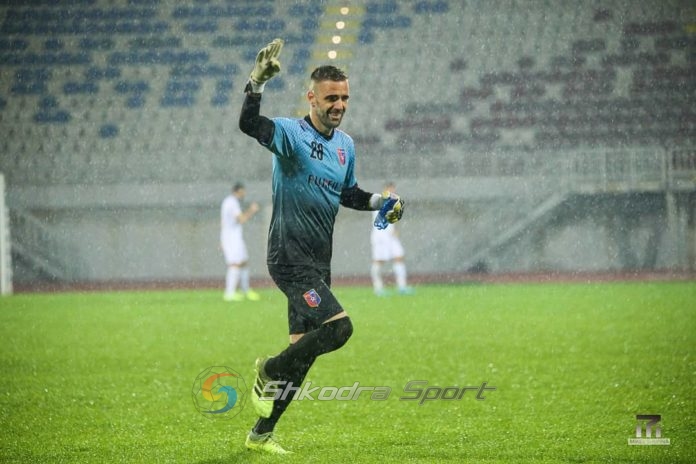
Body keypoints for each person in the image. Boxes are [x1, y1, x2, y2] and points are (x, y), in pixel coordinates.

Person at [238, 38, 404, 454]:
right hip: (289, 257)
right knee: (340, 328)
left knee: (302, 354)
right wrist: (256, 83)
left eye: (344, 98)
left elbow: (348, 194)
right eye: (331, 98)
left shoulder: (345, 145)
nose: (339, 105)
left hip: (317, 262)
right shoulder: (291, 134)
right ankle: (268, 368)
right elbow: (249, 125)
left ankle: (261, 433)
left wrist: (381, 202)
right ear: (312, 98)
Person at [370, 182, 413, 296]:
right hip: (380, 236)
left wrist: (394, 230)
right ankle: (378, 288)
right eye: (390, 190)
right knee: (379, 261)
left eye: (393, 190)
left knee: (399, 257)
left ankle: (402, 286)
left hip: (391, 237)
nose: (392, 192)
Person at [220, 182, 260, 302]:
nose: (244, 194)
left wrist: (221, 238)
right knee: (235, 263)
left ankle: (245, 290)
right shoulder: (232, 203)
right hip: (231, 238)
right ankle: (229, 293)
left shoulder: (229, 202)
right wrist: (252, 210)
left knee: (243, 262)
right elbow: (241, 219)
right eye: (243, 192)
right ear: (237, 191)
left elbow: (223, 222)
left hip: (233, 237)